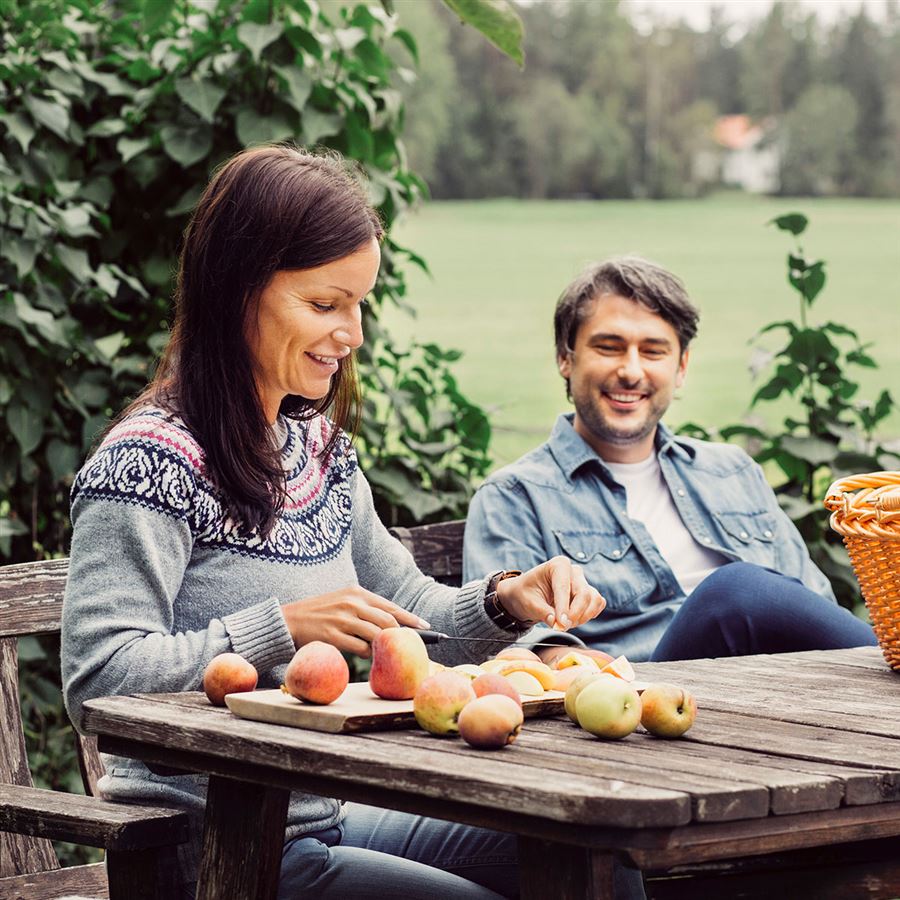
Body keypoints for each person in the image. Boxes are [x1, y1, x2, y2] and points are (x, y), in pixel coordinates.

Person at [61, 145, 630, 900]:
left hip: (326, 817)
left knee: (602, 854)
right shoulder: (147, 462)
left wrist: (505, 599)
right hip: (211, 846)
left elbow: (411, 613)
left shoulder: (317, 451)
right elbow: (97, 676)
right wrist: (282, 627)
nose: (352, 333)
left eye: (358, 304)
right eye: (325, 304)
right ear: (238, 292)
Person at [463, 256, 877, 667]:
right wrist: (571, 664)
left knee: (745, 591)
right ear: (565, 358)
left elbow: (812, 605)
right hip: (643, 702)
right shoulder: (515, 495)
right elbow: (504, 644)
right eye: (608, 348)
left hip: (787, 699)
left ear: (681, 368)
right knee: (735, 589)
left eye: (653, 351)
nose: (630, 371)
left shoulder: (733, 471)